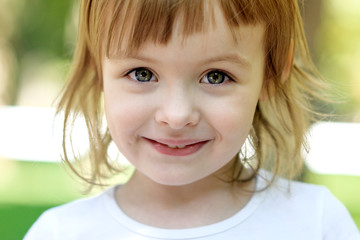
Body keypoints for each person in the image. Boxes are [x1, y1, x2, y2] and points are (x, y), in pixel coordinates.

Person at [24, 0, 359, 239]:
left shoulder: (317, 224)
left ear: (271, 74)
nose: (177, 115)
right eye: (142, 73)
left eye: (216, 76)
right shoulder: (60, 232)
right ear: (97, 68)